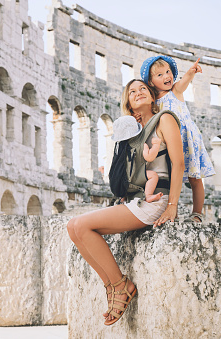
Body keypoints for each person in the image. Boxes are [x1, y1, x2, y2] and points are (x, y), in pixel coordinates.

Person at [67, 79, 184, 326]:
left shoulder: (164, 119)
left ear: (152, 96)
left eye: (143, 89)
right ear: (128, 103)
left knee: (83, 226)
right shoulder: (129, 131)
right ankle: (112, 287)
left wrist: (173, 205)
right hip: (134, 201)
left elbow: (179, 163)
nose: (138, 92)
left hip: (155, 201)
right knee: (73, 227)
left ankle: (121, 286)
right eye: (132, 92)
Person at [140, 55, 215, 223]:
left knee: (195, 178)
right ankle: (173, 210)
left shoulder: (175, 91)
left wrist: (191, 71)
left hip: (187, 139)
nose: (167, 76)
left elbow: (184, 82)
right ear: (151, 82)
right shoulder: (153, 102)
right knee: (174, 176)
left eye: (168, 72)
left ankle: (197, 214)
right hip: (169, 142)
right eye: (160, 75)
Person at [111, 115, 163, 203]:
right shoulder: (141, 145)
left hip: (121, 181)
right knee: (153, 175)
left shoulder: (119, 148)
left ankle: (122, 198)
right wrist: (156, 145)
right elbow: (150, 157)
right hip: (132, 180)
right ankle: (148, 195)